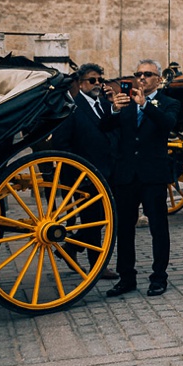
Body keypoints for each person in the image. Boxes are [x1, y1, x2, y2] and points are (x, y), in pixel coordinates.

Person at [103, 59, 180, 298]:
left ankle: (159, 277)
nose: (143, 78)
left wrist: (146, 105)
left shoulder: (169, 103)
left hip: (153, 174)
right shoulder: (125, 102)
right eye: (139, 74)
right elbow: (103, 126)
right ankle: (126, 277)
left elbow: (167, 124)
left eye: (148, 74)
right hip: (126, 175)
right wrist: (115, 108)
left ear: (159, 79)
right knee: (124, 229)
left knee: (158, 228)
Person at [48, 63, 118, 280]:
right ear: (80, 83)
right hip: (83, 177)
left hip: (107, 173)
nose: (97, 84)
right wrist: (80, 170)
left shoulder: (106, 105)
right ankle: (98, 266)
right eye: (92, 80)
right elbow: (61, 143)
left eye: (100, 80)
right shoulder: (72, 108)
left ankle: (71, 247)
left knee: (104, 218)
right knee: (93, 221)